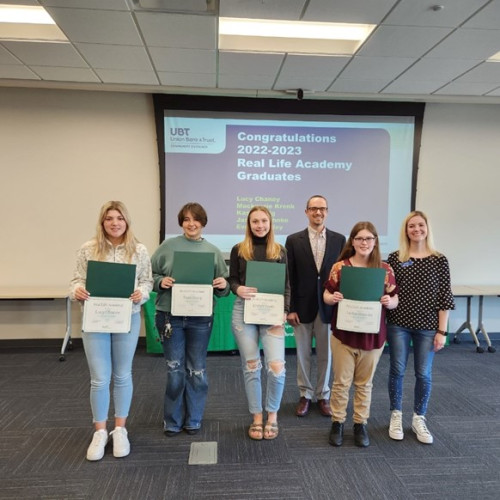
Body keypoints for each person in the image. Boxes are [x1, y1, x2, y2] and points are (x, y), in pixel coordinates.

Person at [69, 201, 153, 461]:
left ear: (127, 222)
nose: (114, 223)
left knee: (122, 375)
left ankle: (120, 429)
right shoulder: (88, 249)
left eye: (119, 218)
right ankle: (100, 431)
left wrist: (143, 294)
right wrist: (77, 291)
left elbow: (147, 281)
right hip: (95, 320)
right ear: (102, 222)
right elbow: (76, 281)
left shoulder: (138, 250)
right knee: (99, 378)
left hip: (125, 320)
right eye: (109, 218)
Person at [151, 202, 229, 437]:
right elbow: (150, 274)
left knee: (197, 370)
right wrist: (159, 282)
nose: (191, 223)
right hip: (169, 316)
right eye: (186, 219)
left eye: (195, 219)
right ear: (181, 223)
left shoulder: (213, 251)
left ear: (203, 222)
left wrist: (223, 285)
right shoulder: (167, 246)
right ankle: (172, 419)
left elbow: (223, 285)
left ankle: (193, 418)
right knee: (175, 369)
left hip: (200, 319)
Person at [323, 222, 398, 447]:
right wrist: (331, 298)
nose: (364, 243)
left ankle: (360, 423)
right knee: (341, 382)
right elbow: (327, 294)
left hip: (372, 337)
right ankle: (337, 422)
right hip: (343, 335)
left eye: (368, 238)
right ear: (352, 242)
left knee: (365, 384)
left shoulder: (385, 270)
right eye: (359, 238)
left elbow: (395, 300)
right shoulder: (340, 267)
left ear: (375, 241)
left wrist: (389, 301)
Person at [386, 210, 455, 444]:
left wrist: (442, 331)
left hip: (428, 327)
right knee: (397, 370)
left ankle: (418, 418)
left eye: (420, 225)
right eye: (411, 226)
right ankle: (396, 414)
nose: (416, 230)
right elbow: (388, 291)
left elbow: (445, 297)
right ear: (405, 231)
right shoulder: (395, 258)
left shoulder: (439, 259)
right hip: (398, 325)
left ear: (427, 228)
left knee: (423, 374)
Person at [229, 206, 290, 441]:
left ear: (270, 223)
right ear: (249, 224)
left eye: (264, 221)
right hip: (244, 310)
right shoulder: (239, 250)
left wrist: (284, 311)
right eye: (255, 221)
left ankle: (272, 416)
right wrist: (238, 288)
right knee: (252, 365)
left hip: (272, 311)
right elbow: (232, 278)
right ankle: (256, 417)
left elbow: (287, 284)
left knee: (276, 366)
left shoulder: (280, 251)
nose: (260, 225)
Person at [285, 195, 346, 417]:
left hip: (328, 307)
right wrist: (290, 307)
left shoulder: (339, 240)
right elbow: (289, 276)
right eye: (313, 209)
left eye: (322, 209)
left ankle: (323, 395)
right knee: (302, 354)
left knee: (326, 354)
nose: (318, 212)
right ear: (306, 211)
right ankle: (305, 395)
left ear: (327, 212)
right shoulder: (293, 240)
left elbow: (343, 275)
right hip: (301, 307)